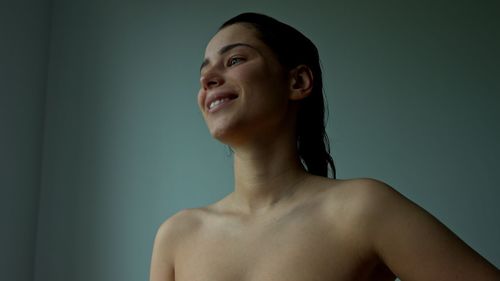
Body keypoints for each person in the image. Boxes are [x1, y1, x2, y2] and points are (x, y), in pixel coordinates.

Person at [149, 13, 499, 281]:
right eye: (204, 72)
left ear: (298, 82)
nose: (208, 80)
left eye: (235, 60)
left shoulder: (363, 210)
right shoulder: (177, 236)